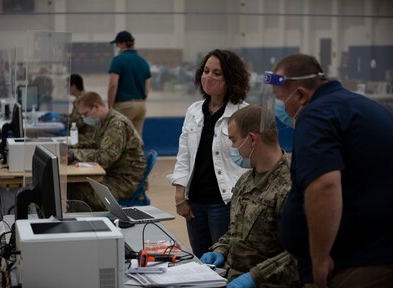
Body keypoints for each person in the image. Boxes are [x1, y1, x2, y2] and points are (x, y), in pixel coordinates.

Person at [267, 53, 393, 287]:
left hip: (361, 262)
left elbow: (324, 185)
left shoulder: (316, 115)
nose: (279, 106)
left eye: (280, 98)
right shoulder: (358, 106)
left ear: (301, 94)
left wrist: (320, 257)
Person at [200, 105, 300, 288]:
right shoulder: (246, 180)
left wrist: (255, 277)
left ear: (252, 139)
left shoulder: (292, 186)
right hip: (231, 277)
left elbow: (301, 252)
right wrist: (221, 249)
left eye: (234, 140)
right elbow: (237, 230)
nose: (232, 147)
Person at [166, 49, 249, 258]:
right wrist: (180, 194)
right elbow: (184, 154)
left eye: (216, 73)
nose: (208, 77)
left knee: (224, 262)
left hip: (224, 203)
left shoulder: (243, 113)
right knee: (201, 261)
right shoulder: (194, 110)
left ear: (231, 78)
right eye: (205, 71)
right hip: (194, 203)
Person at [67, 91, 146, 210]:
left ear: (96, 107)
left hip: (125, 180)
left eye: (86, 114)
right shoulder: (104, 121)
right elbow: (95, 145)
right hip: (114, 173)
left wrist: (75, 154)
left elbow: (106, 157)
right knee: (72, 186)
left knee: (78, 190)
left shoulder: (116, 124)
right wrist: (72, 149)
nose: (84, 119)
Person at [107, 30, 151, 136]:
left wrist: (110, 106)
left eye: (117, 44)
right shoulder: (143, 61)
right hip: (141, 105)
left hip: (124, 105)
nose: (117, 47)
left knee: (120, 138)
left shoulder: (118, 60)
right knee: (136, 140)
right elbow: (147, 85)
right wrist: (142, 100)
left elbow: (113, 85)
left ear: (122, 44)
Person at [67, 74, 95, 143]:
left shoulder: (82, 100)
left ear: (73, 87)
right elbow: (73, 117)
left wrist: (63, 122)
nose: (67, 88)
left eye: (67, 85)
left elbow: (77, 123)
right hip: (82, 134)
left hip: (85, 137)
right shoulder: (83, 97)